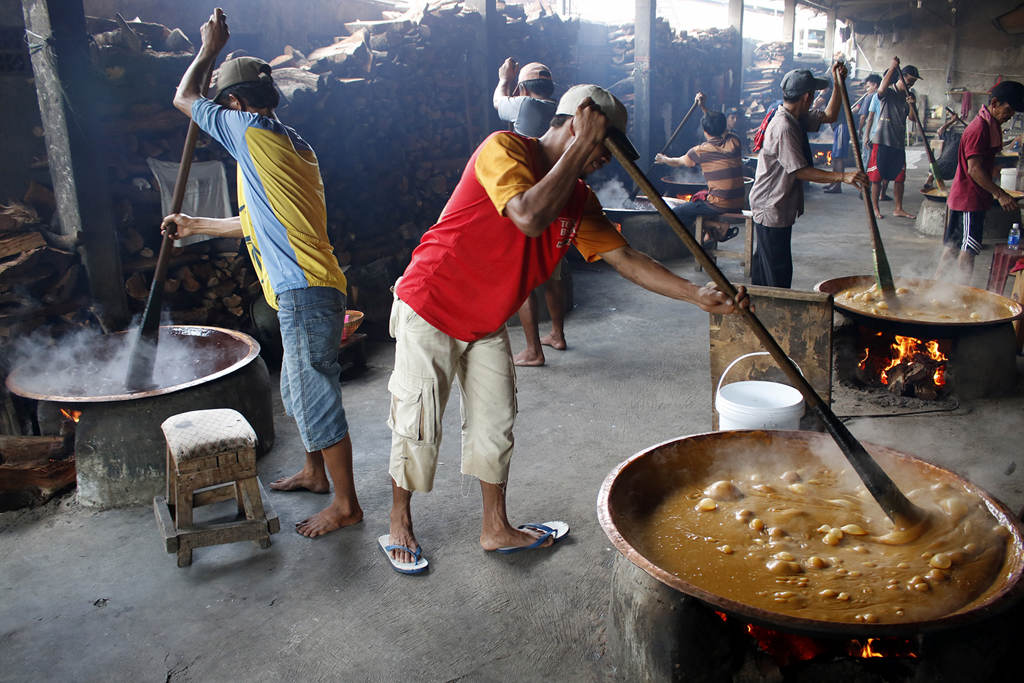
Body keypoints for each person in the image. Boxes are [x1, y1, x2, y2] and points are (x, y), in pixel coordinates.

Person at [382, 84, 750, 574]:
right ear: (579, 124)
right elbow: (528, 215)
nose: (605, 159)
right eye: (605, 145)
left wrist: (695, 294)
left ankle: (496, 527)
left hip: (488, 320)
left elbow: (626, 257)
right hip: (432, 303)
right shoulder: (505, 149)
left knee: (495, 424)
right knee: (418, 421)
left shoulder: (578, 199)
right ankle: (399, 522)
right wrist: (581, 145)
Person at [160, 9, 362, 538]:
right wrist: (194, 224)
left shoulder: (246, 129)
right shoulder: (292, 146)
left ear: (233, 102)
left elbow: (183, 99)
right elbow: (256, 221)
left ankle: (346, 505)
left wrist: (206, 51)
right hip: (309, 285)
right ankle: (316, 474)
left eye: (223, 103)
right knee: (296, 388)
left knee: (312, 389)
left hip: (304, 288)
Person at [747, 64, 869, 288]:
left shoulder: (796, 117)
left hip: (777, 202)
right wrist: (843, 176)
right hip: (771, 205)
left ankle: (761, 307)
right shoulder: (783, 125)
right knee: (776, 271)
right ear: (807, 97)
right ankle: (774, 314)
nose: (814, 98)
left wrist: (837, 84)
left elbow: (830, 115)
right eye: (813, 94)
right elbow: (800, 171)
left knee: (767, 264)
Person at [493, 59, 566, 365]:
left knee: (524, 275)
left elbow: (498, 103)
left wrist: (503, 79)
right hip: (555, 196)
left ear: (523, 88)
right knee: (550, 271)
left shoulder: (523, 106)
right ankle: (558, 335)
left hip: (527, 200)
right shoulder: (561, 110)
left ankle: (534, 350)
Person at [934, 81, 1024, 284]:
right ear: (994, 103)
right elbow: (974, 169)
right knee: (969, 247)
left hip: (965, 196)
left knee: (953, 247)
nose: (1009, 116)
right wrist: (1000, 194)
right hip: (969, 198)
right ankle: (963, 292)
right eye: (1008, 110)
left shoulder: (989, 124)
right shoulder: (980, 129)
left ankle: (936, 289)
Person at [654, 93, 745, 242]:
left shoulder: (700, 151)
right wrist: (702, 107)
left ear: (704, 131)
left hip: (720, 204)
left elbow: (679, 162)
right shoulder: (734, 141)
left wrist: (664, 159)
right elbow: (716, 124)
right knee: (702, 199)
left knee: (675, 214)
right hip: (739, 200)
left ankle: (714, 225)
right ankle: (710, 235)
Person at [867, 59, 921, 220]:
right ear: (902, 77)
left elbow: (912, 118)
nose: (911, 84)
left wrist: (912, 104)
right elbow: (881, 89)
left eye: (913, 82)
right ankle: (875, 208)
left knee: (900, 178)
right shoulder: (889, 92)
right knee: (876, 177)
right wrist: (892, 67)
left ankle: (898, 208)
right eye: (909, 80)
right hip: (882, 140)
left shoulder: (908, 96)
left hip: (898, 143)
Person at [922, 113, 967, 191]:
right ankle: (930, 182)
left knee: (935, 168)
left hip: (950, 169)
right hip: (942, 167)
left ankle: (930, 182)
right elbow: (940, 130)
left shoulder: (963, 139)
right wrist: (952, 121)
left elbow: (940, 130)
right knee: (934, 167)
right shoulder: (951, 136)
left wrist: (952, 121)